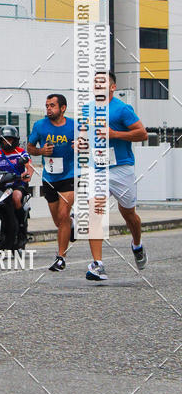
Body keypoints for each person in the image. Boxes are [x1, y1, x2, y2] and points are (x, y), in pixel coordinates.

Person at [86, 70, 148, 281]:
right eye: (95, 82)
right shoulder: (89, 109)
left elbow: (142, 133)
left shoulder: (122, 109)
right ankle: (98, 264)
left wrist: (115, 134)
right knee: (95, 212)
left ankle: (137, 244)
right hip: (98, 168)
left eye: (101, 82)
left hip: (121, 168)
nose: (97, 85)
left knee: (129, 214)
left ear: (112, 87)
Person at [27, 94, 76, 272]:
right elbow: (30, 148)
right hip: (49, 178)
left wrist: (80, 146)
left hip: (70, 175)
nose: (49, 109)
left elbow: (88, 144)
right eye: (47, 105)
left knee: (63, 215)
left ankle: (61, 257)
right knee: (58, 220)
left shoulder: (74, 126)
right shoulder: (39, 126)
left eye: (52, 106)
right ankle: (72, 223)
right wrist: (40, 151)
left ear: (63, 108)